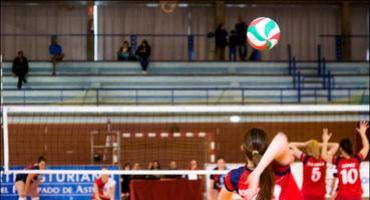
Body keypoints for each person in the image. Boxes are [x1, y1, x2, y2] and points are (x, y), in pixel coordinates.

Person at [219, 128, 303, 200]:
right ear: (267, 148)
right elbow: (281, 138)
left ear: (243, 148)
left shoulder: (234, 176)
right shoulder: (279, 166)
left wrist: (256, 173)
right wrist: (257, 173)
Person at [321, 121, 369, 200]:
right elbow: (366, 147)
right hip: (356, 196)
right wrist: (363, 133)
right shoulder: (357, 159)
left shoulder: (338, 161)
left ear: (341, 149)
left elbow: (323, 155)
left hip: (343, 196)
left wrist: (325, 140)